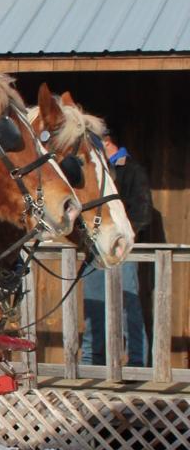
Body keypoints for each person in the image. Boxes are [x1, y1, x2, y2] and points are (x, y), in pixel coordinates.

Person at [82, 130, 153, 368]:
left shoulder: (132, 170)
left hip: (122, 250)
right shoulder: (93, 171)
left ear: (107, 142)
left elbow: (142, 214)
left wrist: (120, 239)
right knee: (94, 306)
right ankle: (93, 362)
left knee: (127, 307)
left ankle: (136, 363)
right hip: (94, 249)